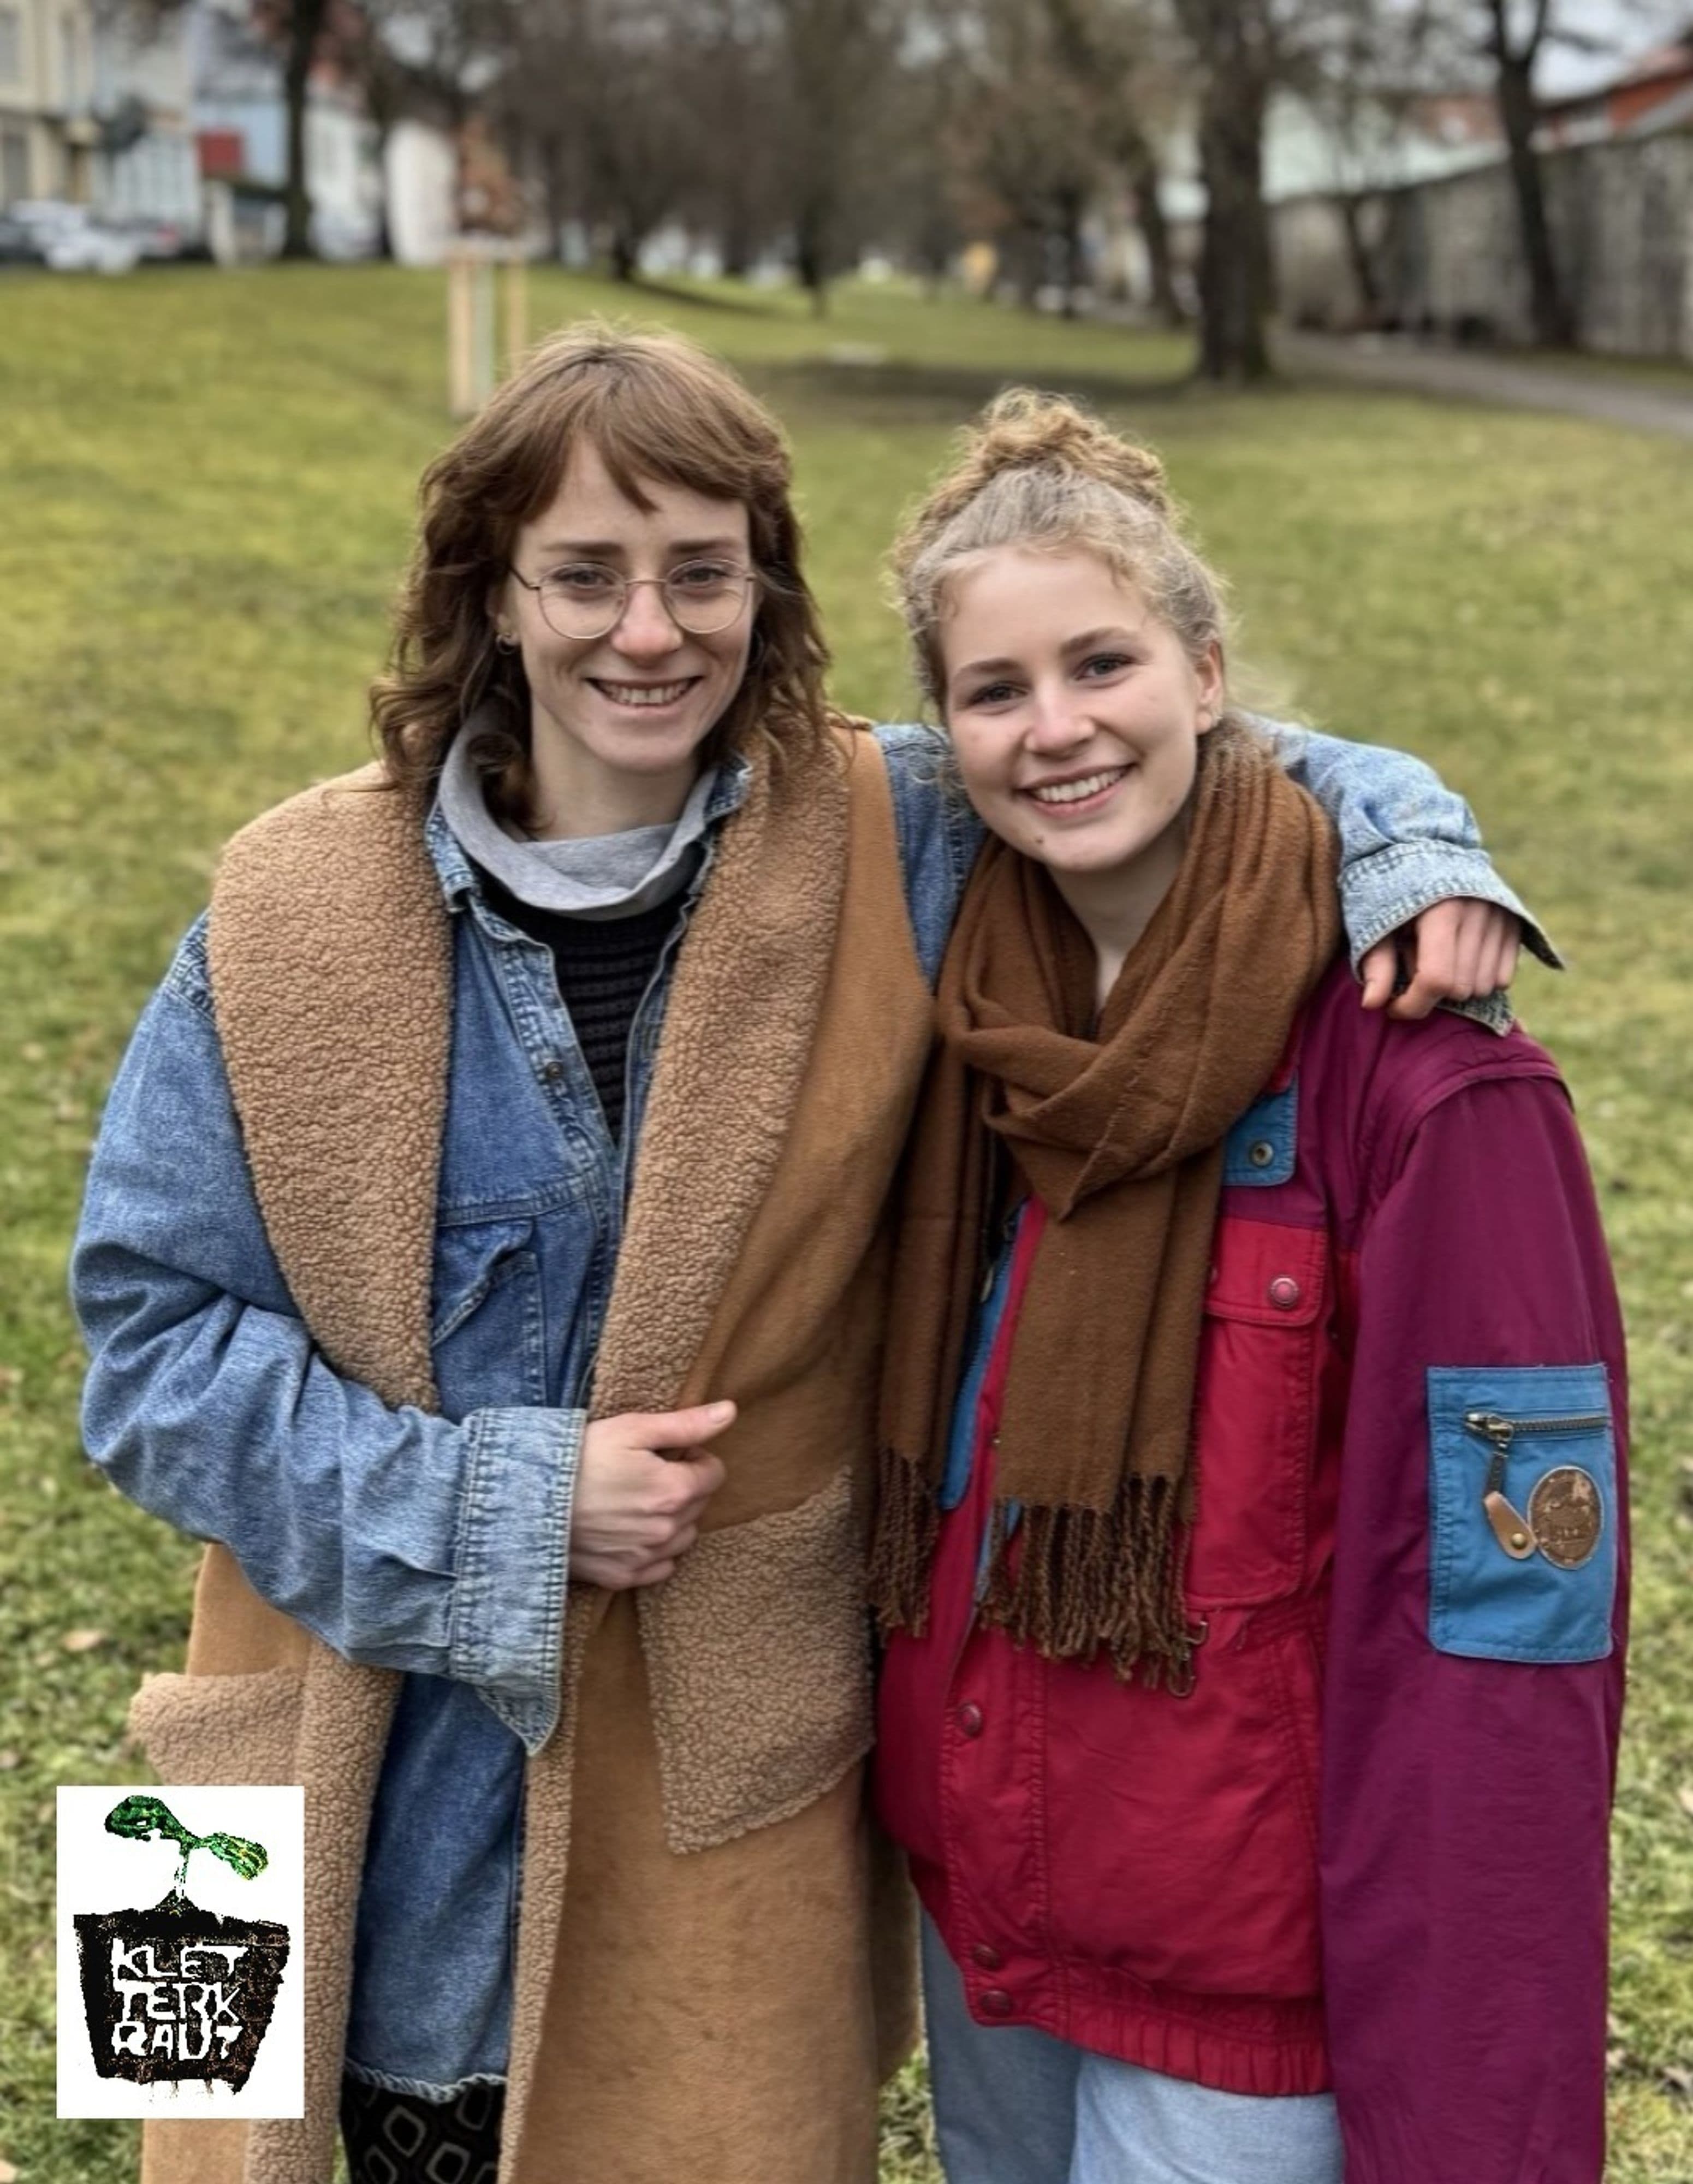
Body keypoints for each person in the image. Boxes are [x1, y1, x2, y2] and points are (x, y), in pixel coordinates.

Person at [73, 328, 1537, 2184]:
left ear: (764, 589)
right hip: (304, 1756)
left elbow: (1194, 750)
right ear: (490, 595)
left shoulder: (881, 830)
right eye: (586, 575)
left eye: (702, 571)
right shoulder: (279, 902)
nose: (648, 631)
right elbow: (140, 1348)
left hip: (704, 1802)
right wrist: (498, 1514)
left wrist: (1417, 847)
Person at [869, 390, 1627, 2184]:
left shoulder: (1434, 1080)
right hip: (989, 1910)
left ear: (1209, 677)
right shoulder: (962, 1017)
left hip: (1240, 1987)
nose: (1055, 730)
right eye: (996, 690)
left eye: (1103, 663)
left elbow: (1509, 1634)